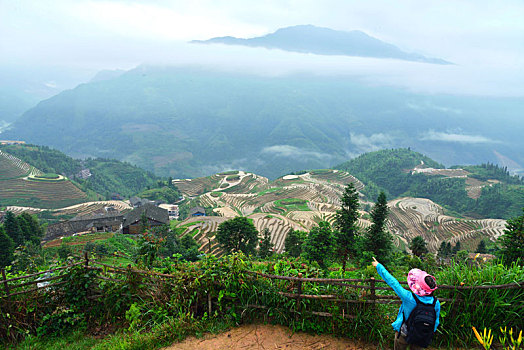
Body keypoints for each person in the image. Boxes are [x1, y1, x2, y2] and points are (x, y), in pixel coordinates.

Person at [372, 257, 440, 350]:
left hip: (404, 333)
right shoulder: (436, 303)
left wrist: (378, 266)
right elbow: (435, 322)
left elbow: (393, 282)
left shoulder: (409, 298)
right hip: (421, 336)